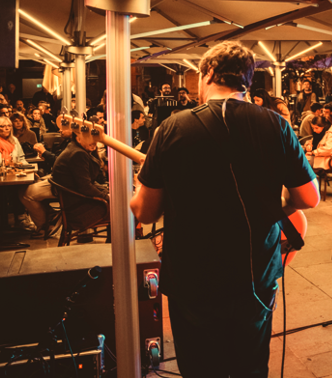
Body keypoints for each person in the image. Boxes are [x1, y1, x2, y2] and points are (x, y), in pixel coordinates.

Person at [130, 41, 320, 378]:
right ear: (247, 80)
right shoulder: (276, 125)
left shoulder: (172, 128)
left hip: (193, 280)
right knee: (250, 368)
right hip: (254, 276)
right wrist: (276, 206)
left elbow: (144, 212)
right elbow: (309, 198)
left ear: (208, 73)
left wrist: (137, 188)